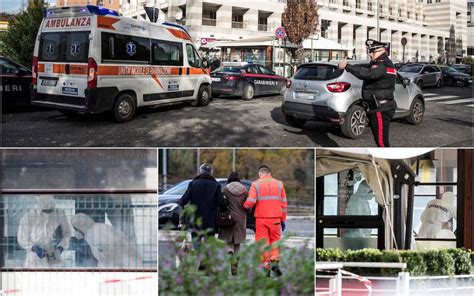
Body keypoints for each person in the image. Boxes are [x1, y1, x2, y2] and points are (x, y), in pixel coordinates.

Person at [338, 39, 397, 147]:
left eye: (373, 52)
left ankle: (388, 161)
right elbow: (364, 68)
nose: (370, 54)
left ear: (382, 51)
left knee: (381, 142)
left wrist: (347, 66)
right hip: (378, 107)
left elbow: (367, 73)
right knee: (380, 140)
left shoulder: (383, 65)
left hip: (381, 108)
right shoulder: (379, 63)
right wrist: (348, 65)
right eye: (369, 51)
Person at [178, 163, 228, 269]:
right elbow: (221, 203)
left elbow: (183, 200)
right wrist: (224, 206)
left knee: (196, 240)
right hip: (210, 219)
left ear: (200, 172)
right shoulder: (216, 185)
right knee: (209, 241)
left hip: (195, 219)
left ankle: (200, 257)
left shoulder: (193, 184)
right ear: (211, 173)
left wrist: (182, 208)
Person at [243, 165, 287, 277]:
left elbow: (251, 201)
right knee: (275, 243)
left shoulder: (256, 184)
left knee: (263, 244)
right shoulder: (279, 184)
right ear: (269, 173)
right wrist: (283, 219)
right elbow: (284, 203)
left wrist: (245, 206)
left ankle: (266, 268)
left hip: (261, 219)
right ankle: (275, 263)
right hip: (276, 219)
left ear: (260, 173)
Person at [70, 213, 143, 268]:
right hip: (131, 261)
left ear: (80, 227)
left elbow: (109, 254)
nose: (75, 232)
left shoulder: (93, 234)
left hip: (128, 264)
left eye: (75, 229)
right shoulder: (97, 228)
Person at [17, 195, 72, 268]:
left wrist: (61, 246)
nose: (48, 214)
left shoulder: (59, 214)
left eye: (50, 211)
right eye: (45, 211)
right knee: (32, 278)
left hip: (53, 253)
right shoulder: (28, 217)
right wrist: (34, 248)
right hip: (34, 257)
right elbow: (22, 238)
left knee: (54, 277)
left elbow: (67, 233)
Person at [218, 171, 249, 275]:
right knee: (237, 244)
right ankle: (234, 266)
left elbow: (222, 203)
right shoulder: (245, 191)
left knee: (228, 242)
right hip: (241, 219)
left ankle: (229, 252)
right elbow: (248, 206)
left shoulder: (225, 189)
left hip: (229, 218)